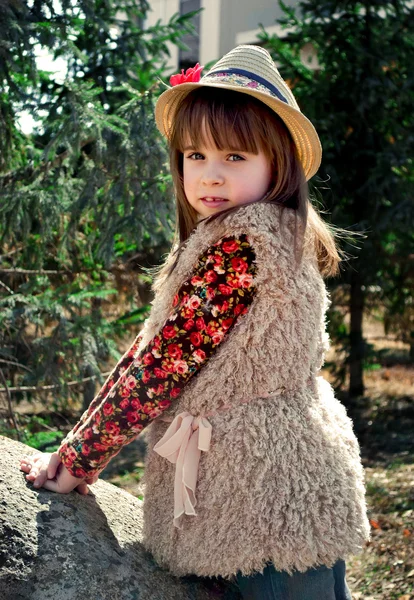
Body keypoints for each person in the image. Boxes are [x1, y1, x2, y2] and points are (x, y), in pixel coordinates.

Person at [20, 45, 371, 599]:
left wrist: (78, 461)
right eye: (194, 155)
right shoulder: (252, 238)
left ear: (277, 163)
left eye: (235, 157)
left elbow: (160, 368)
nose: (210, 174)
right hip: (280, 482)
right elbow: (149, 351)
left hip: (259, 497)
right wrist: (77, 448)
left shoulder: (241, 248)